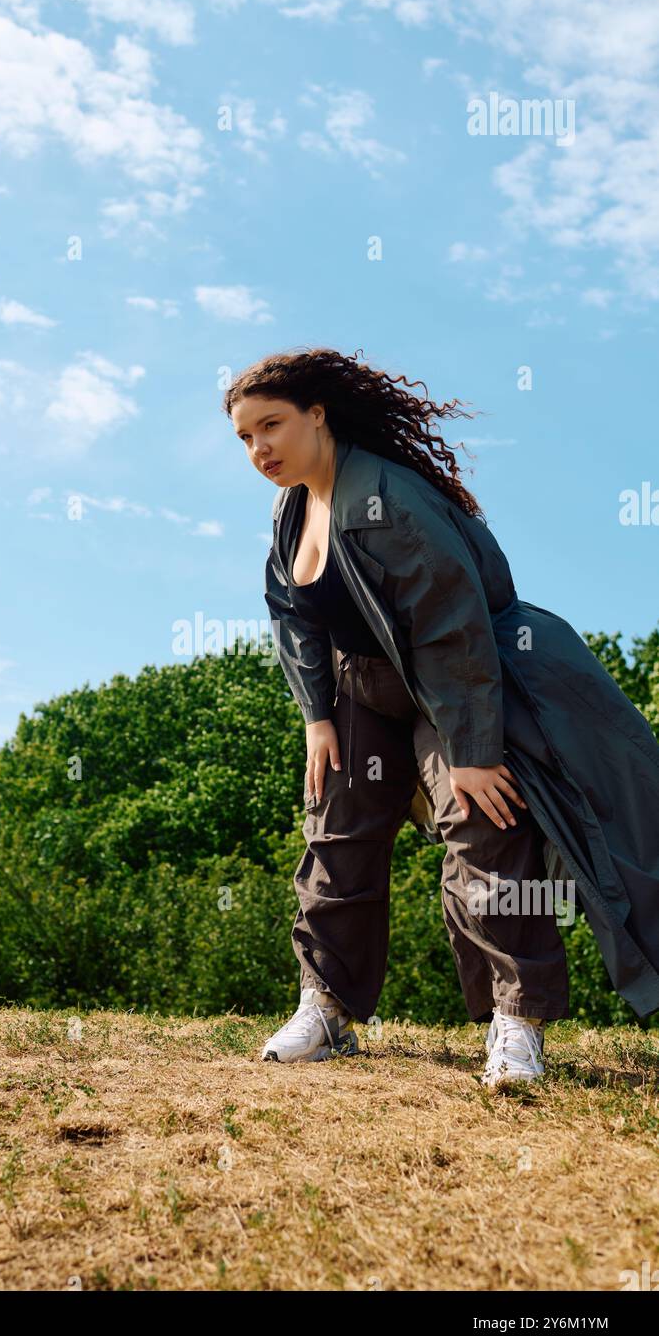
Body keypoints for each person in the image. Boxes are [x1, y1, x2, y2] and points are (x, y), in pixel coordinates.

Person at [224, 347, 659, 1090]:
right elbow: (291, 610)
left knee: (482, 823)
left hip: (454, 682)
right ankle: (326, 1007)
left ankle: (515, 1023)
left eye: (272, 426)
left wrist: (470, 749)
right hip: (361, 688)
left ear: (318, 416)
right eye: (245, 437)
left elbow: (452, 629)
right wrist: (317, 717)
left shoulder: (388, 501)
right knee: (335, 826)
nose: (260, 449)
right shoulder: (291, 507)